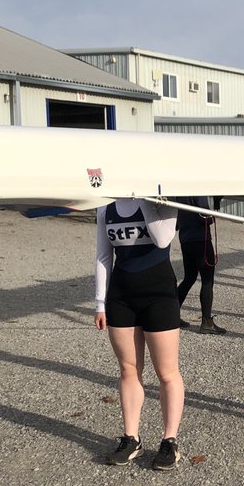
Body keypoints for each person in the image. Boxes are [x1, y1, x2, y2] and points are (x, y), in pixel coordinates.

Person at [95, 198, 184, 471]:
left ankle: (170, 441)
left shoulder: (165, 202)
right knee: (128, 370)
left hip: (159, 295)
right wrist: (100, 303)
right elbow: (103, 255)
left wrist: (143, 197)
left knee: (167, 372)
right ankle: (131, 438)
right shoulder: (105, 206)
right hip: (121, 297)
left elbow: (161, 239)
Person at [176, 197, 226, 334]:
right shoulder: (198, 192)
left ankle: (172, 314)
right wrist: (212, 217)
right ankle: (206, 322)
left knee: (189, 277)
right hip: (200, 239)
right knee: (207, 280)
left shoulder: (178, 193)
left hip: (185, 239)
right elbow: (204, 216)